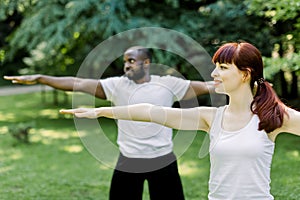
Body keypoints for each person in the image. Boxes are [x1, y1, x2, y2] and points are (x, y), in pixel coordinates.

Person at [60, 42, 300, 200]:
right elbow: (150, 111)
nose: (214, 74)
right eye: (215, 67)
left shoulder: (275, 116)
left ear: (245, 73)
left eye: (223, 67)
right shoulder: (211, 117)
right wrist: (101, 112)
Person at [4, 46, 215, 200]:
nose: (126, 65)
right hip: (128, 160)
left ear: (146, 63)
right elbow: (77, 83)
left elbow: (207, 87)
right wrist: (42, 78)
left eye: (131, 60)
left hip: (163, 160)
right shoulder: (116, 86)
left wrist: (243, 82)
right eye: (125, 61)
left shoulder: (168, 84)